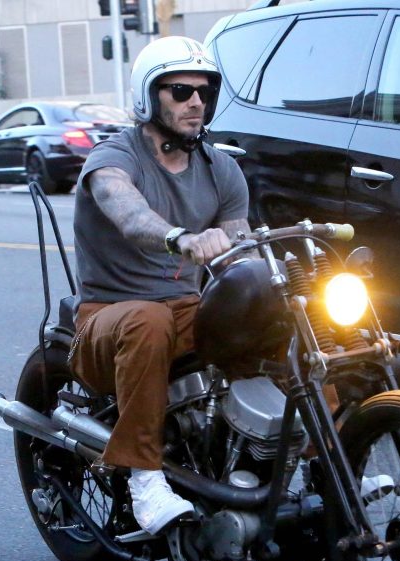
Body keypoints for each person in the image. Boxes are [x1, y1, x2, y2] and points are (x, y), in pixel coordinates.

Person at [68, 36, 249, 535]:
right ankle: (145, 482)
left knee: (284, 315)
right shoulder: (114, 157)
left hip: (185, 308)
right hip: (108, 317)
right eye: (180, 91)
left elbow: (240, 248)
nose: (196, 102)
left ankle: (331, 457)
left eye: (204, 92)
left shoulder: (222, 169)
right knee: (148, 319)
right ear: (150, 97)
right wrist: (181, 239)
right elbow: (125, 210)